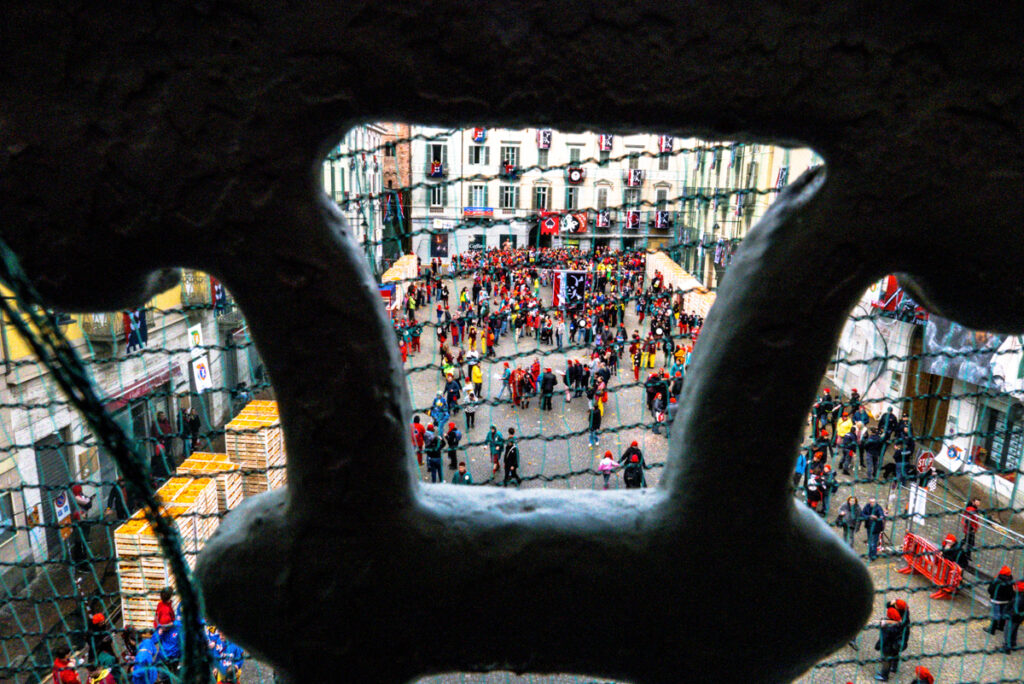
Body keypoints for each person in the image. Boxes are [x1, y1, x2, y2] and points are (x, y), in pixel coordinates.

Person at [875, 606, 904, 681]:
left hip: (888, 647)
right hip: (896, 645)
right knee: (895, 656)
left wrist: (878, 646)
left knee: (886, 662)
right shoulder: (900, 624)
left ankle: (884, 676)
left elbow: (883, 638)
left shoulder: (888, 628)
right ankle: (894, 668)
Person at [986, 566, 1015, 636]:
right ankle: (1001, 627)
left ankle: (992, 629)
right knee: (1003, 613)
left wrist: (992, 595)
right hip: (1005, 601)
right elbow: (1011, 592)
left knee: (995, 614)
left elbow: (990, 589)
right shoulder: (1010, 581)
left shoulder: (997, 580)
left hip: (996, 600)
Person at [1007, 576, 1024, 652]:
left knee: (1008, 631)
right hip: (1019, 618)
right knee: (1014, 630)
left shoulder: (1018, 598)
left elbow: (1014, 610)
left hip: (1013, 617)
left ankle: (1007, 647)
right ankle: (1013, 643)